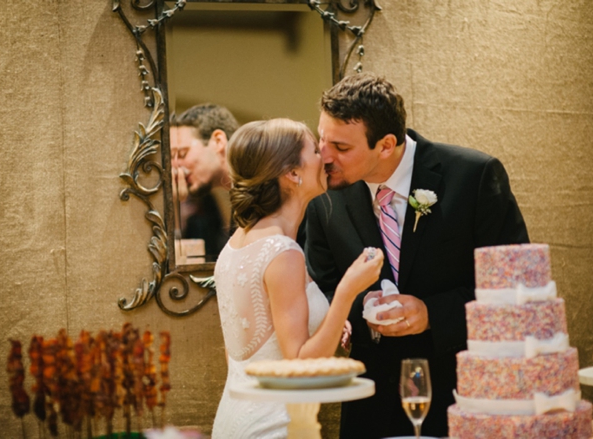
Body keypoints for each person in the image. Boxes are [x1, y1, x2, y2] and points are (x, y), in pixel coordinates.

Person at [305, 73, 530, 438]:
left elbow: (514, 286)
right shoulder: (325, 194)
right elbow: (326, 283)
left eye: (341, 148)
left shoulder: (473, 177)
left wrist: (432, 314)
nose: (324, 157)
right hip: (370, 402)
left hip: (458, 396)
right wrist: (361, 308)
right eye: (322, 139)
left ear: (386, 144)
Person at [211, 118, 384, 438]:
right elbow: (299, 368)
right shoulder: (283, 252)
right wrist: (347, 291)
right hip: (277, 425)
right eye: (316, 150)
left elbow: (256, 346)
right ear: (292, 173)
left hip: (234, 419)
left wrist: (328, 324)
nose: (327, 157)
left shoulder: (238, 242)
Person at [170, 104, 239, 258]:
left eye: (181, 154)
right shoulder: (239, 199)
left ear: (218, 141)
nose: (175, 167)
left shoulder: (264, 192)